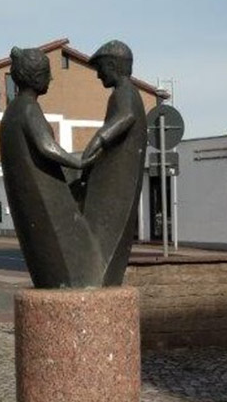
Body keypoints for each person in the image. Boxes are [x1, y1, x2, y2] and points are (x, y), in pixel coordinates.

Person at [0, 47, 104, 288]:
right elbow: (46, 146)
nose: (51, 79)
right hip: (43, 194)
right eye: (48, 73)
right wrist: (79, 162)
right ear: (36, 76)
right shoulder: (28, 108)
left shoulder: (12, 111)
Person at [81, 40, 148, 286]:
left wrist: (99, 139)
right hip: (116, 174)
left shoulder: (125, 93)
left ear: (112, 65)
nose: (98, 75)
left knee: (105, 229)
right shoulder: (125, 93)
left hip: (118, 178)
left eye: (100, 68)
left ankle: (98, 274)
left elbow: (126, 116)